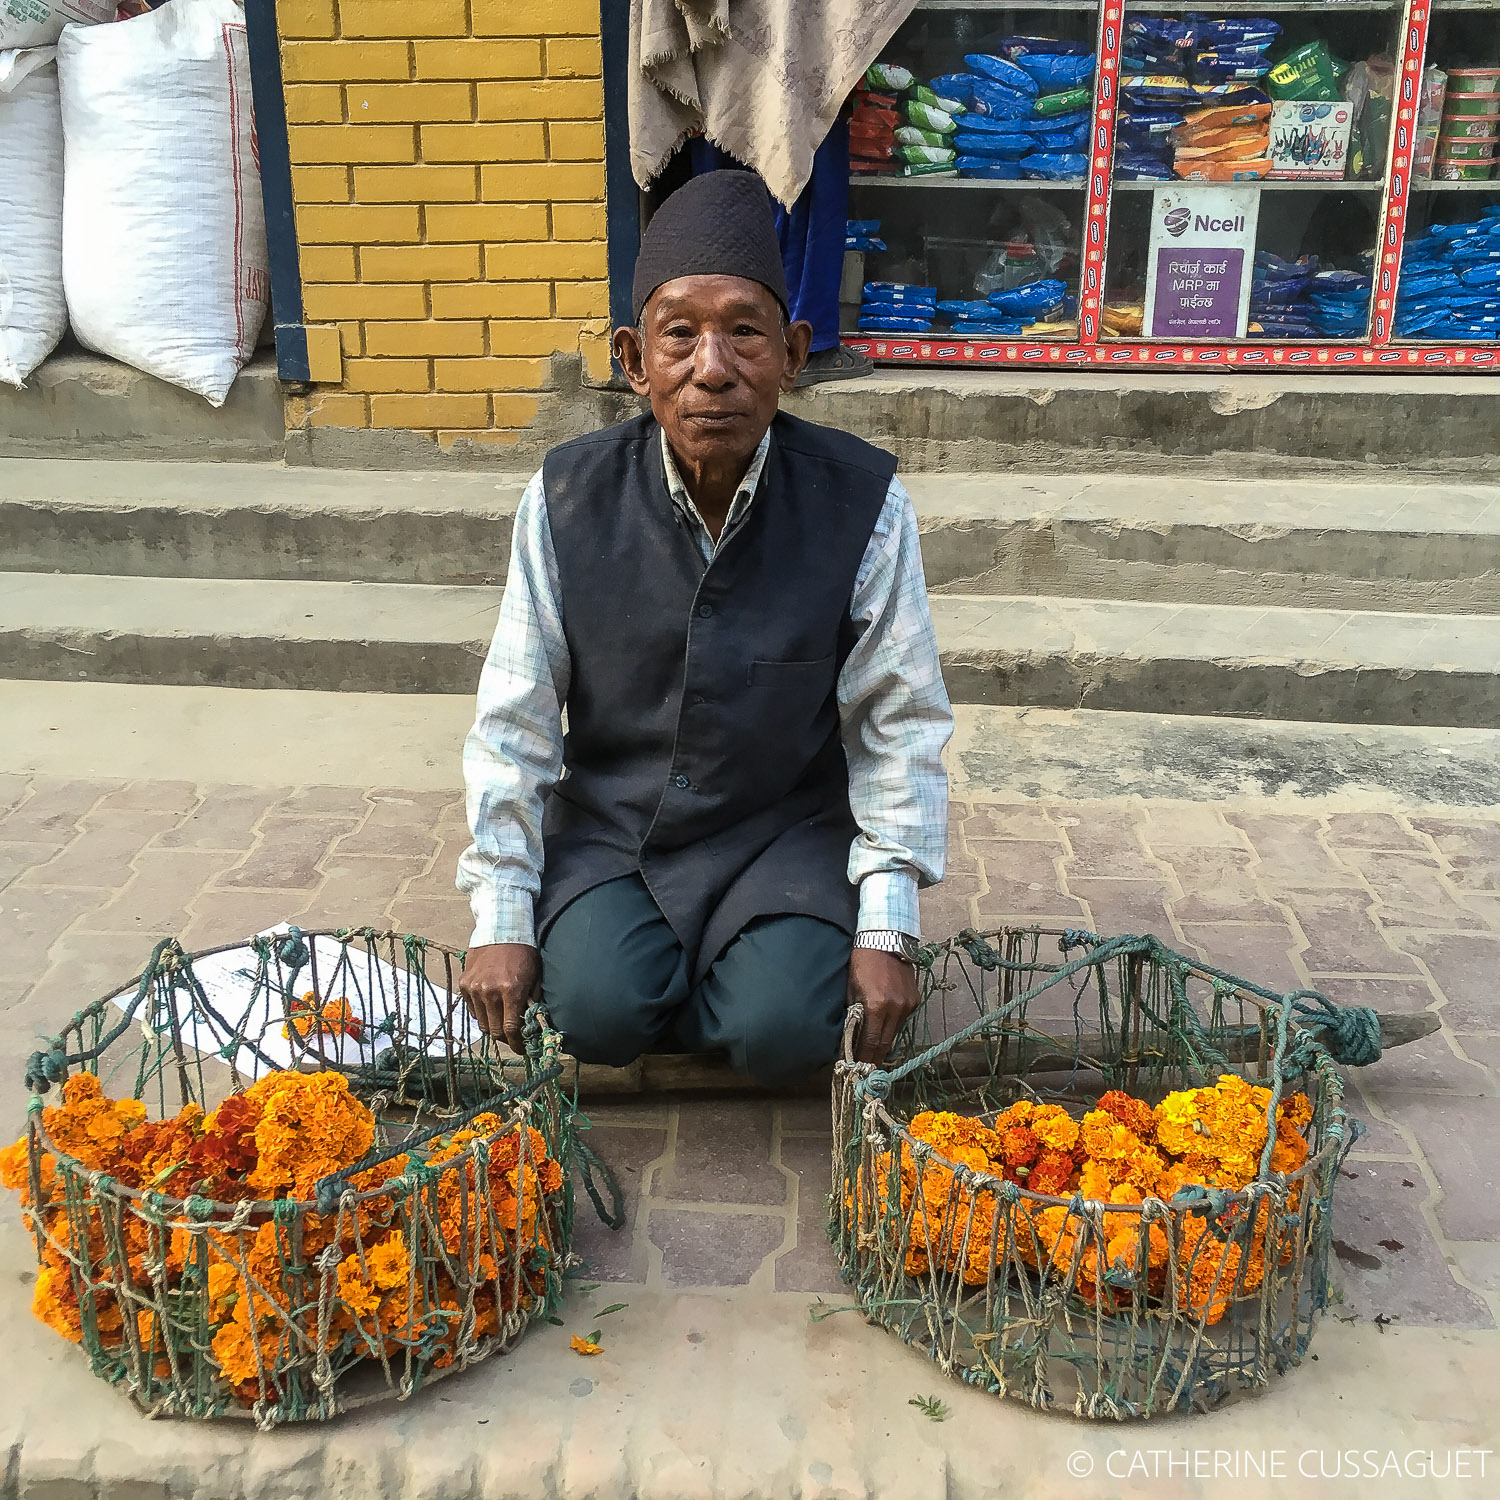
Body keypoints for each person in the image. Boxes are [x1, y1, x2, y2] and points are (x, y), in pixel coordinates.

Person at [456, 170, 951, 1086]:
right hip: (619, 826)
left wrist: (886, 925)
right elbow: (515, 718)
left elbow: (901, 720)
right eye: (679, 334)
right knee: (598, 1014)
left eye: (746, 331)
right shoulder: (566, 498)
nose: (712, 367)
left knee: (781, 1035)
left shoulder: (865, 505)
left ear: (795, 353)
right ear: (634, 360)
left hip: (785, 833)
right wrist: (503, 919)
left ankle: (738, 961)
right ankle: (657, 960)